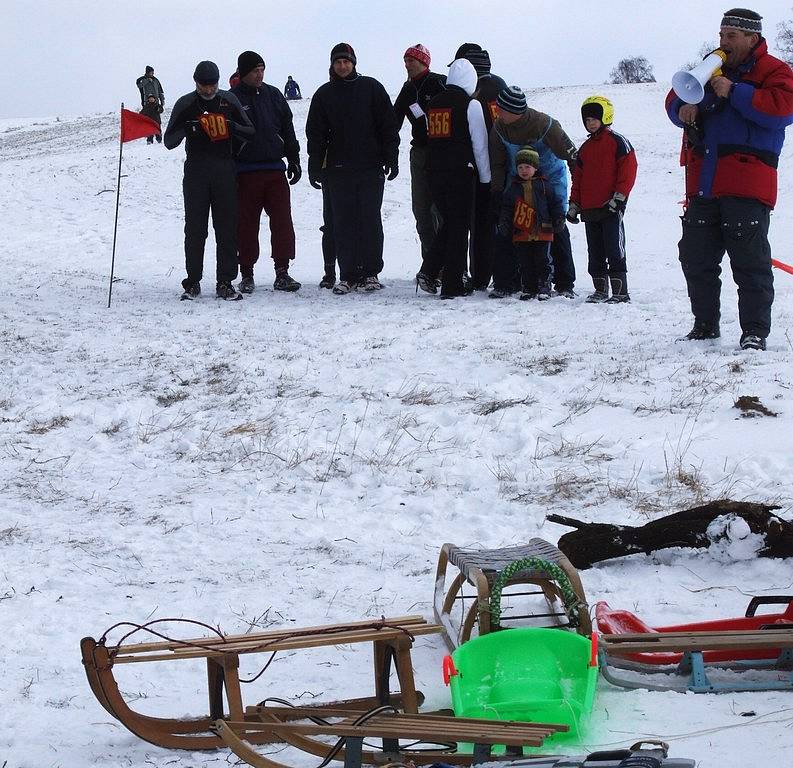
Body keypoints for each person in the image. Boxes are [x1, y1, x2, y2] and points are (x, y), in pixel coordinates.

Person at [665, 8, 793, 350]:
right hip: (704, 182)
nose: (722, 42)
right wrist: (681, 109)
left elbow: (783, 109)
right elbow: (675, 96)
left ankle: (754, 331)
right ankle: (704, 325)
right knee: (696, 257)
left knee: (750, 264)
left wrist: (734, 91)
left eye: (731, 36)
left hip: (747, 182)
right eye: (721, 35)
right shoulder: (712, 65)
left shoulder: (775, 70)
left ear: (752, 39)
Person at [306, 43, 400, 295]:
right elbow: (315, 135)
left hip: (370, 167)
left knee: (370, 219)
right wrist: (315, 166)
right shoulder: (324, 94)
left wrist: (391, 157)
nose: (342, 66)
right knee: (343, 222)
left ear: (354, 63)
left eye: (346, 61)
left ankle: (370, 272)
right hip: (337, 170)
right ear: (332, 65)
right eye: (338, 62)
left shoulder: (372, 88)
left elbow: (388, 126)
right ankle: (348, 274)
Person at [164, 60, 254, 301]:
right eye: (203, 85)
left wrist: (230, 125)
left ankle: (225, 282)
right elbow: (169, 140)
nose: (208, 90)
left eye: (212, 84)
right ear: (195, 82)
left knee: (226, 228)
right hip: (196, 172)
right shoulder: (186, 103)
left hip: (225, 169)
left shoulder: (228, 100)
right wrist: (189, 128)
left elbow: (250, 131)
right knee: (195, 229)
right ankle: (192, 281)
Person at [489, 86, 578, 299]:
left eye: (502, 109)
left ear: (514, 111)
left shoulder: (545, 125)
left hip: (550, 182)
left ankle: (564, 282)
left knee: (555, 227)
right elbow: (498, 163)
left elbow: (571, 155)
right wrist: (497, 192)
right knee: (513, 229)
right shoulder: (499, 127)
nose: (498, 112)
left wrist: (578, 191)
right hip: (517, 182)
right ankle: (510, 281)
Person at [416, 57, 491, 299]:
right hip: (459, 173)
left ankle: (428, 270)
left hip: (434, 173)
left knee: (449, 223)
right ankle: (451, 286)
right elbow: (479, 145)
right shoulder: (471, 105)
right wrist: (486, 179)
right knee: (459, 228)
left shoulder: (434, 104)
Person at [230, 50, 302, 294]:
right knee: (246, 224)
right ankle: (247, 273)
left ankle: (282, 271)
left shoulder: (273, 95)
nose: (259, 75)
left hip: (274, 170)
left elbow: (288, 128)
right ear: (243, 73)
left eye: (262, 70)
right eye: (254, 71)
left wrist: (294, 159)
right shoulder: (232, 99)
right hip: (245, 172)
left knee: (282, 221)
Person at [567, 96, 637, 303]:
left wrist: (619, 197)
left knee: (614, 248)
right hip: (589, 209)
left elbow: (628, 171)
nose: (591, 123)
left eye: (594, 119)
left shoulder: (618, 142)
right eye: (587, 120)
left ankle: (620, 292)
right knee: (595, 251)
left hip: (610, 208)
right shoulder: (585, 149)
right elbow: (578, 179)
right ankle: (600, 289)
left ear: (605, 117)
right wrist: (574, 204)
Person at [450, 44, 508, 290]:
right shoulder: (500, 86)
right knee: (495, 221)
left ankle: (479, 275)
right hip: (504, 163)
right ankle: (498, 272)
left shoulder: (471, 93)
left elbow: (476, 137)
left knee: (477, 222)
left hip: (476, 167)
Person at [393, 44, 447, 270]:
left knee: (442, 210)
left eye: (411, 60)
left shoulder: (440, 82)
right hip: (420, 154)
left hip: (443, 153)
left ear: (424, 62)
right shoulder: (407, 90)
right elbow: (392, 122)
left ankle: (449, 266)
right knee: (422, 210)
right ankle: (430, 265)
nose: (407, 65)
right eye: (405, 61)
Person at [497, 146, 561, 300]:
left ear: (535, 167)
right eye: (520, 167)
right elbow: (507, 208)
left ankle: (544, 286)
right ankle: (529, 287)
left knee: (543, 259)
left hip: (542, 230)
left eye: (527, 167)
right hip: (522, 231)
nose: (524, 170)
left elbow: (555, 203)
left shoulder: (545, 185)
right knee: (525, 261)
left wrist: (558, 218)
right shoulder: (513, 188)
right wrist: (504, 223)